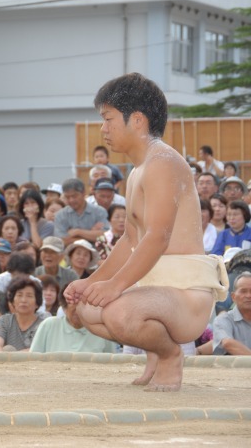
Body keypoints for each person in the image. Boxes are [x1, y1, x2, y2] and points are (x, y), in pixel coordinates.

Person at [65, 72, 228, 392]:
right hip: (155, 291)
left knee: (118, 311)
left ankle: (170, 356)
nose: (103, 129)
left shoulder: (163, 162)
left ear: (136, 120)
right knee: (87, 307)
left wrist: (115, 287)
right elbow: (131, 240)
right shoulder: (138, 171)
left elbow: (158, 237)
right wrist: (94, 281)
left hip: (186, 294)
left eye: (109, 119)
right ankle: (156, 351)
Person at [30, 283, 116, 353]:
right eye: (73, 302)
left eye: (84, 303)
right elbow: (34, 358)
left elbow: (112, 363)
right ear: (64, 307)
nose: (78, 308)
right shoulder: (49, 325)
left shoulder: (103, 331)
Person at [0, 276, 48, 352]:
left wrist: (15, 356)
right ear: (13, 301)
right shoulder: (4, 321)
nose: (23, 300)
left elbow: (40, 349)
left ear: (37, 303)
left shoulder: (44, 324)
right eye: (19, 295)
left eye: (29, 296)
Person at [54, 178, 110, 246]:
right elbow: (62, 240)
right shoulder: (60, 215)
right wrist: (91, 234)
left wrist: (78, 232)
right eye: (67, 197)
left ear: (83, 193)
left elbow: (105, 236)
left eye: (74, 196)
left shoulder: (99, 212)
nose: (71, 200)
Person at [211, 272, 251, 355]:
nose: (248, 295)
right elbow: (228, 343)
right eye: (243, 291)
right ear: (233, 297)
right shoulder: (223, 320)